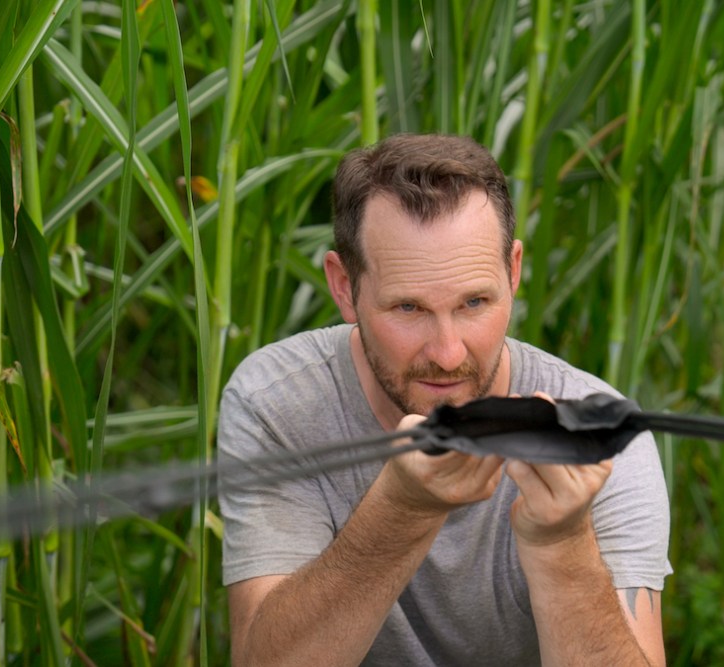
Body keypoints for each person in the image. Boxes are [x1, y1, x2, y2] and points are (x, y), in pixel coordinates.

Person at [218, 134, 671, 666]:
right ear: (345, 287)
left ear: (514, 271)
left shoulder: (599, 436)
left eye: (474, 302)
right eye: (409, 308)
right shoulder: (279, 403)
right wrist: (401, 510)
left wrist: (562, 544)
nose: (449, 354)